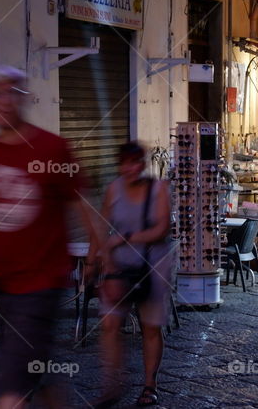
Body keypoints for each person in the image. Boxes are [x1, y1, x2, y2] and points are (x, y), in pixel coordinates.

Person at [0, 65, 97, 409]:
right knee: (41, 367)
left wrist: (98, 251)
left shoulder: (51, 148)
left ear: (22, 97)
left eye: (9, 92)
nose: (0, 101)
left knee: (11, 389)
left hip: (39, 283)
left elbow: (81, 202)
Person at [92, 142, 175, 408]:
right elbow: (101, 227)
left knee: (150, 327)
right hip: (119, 267)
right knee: (110, 324)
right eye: (125, 163)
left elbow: (161, 229)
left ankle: (150, 385)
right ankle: (112, 383)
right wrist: (96, 261)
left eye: (135, 162)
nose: (130, 168)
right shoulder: (113, 190)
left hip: (153, 266)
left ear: (144, 164)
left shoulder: (159, 189)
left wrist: (124, 238)